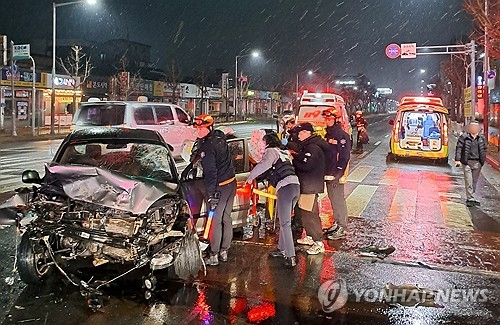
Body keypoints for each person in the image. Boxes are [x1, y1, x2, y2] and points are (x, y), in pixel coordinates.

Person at [245, 133, 301, 268]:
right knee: (284, 220)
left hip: (285, 188)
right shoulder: (284, 152)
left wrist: (250, 178)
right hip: (296, 186)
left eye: (263, 143)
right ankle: (281, 248)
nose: (262, 146)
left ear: (267, 143)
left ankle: (290, 255)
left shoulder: (271, 151)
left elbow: (264, 165)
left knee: (285, 223)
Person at [192, 114, 236, 266]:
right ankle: (224, 250)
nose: (198, 131)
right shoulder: (219, 137)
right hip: (231, 183)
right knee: (226, 217)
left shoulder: (207, 147)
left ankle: (214, 255)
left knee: (216, 220)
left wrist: (211, 194)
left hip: (220, 186)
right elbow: (225, 131)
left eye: (201, 128)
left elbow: (210, 173)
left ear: (209, 128)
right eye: (197, 128)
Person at [291, 122, 327, 255]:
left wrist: (293, 160)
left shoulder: (313, 148)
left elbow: (306, 166)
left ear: (307, 133)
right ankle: (311, 237)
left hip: (310, 186)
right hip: (306, 185)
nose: (298, 136)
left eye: (300, 133)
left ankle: (318, 242)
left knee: (311, 214)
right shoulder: (307, 146)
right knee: (305, 213)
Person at [321, 108, 351, 240]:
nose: (326, 121)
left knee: (338, 200)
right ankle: (337, 223)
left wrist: (338, 174)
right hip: (329, 173)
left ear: (336, 119)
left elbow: (344, 157)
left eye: (329, 119)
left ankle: (342, 227)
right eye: (326, 119)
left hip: (336, 175)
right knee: (333, 199)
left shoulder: (342, 136)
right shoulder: (328, 134)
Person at [454, 121, 487, 207]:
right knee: (469, 180)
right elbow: (459, 148)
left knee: (474, 181)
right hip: (467, 162)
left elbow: (484, 149)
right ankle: (470, 198)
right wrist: (457, 160)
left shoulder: (481, 138)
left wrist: (482, 161)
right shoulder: (464, 137)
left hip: (477, 163)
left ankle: (471, 196)